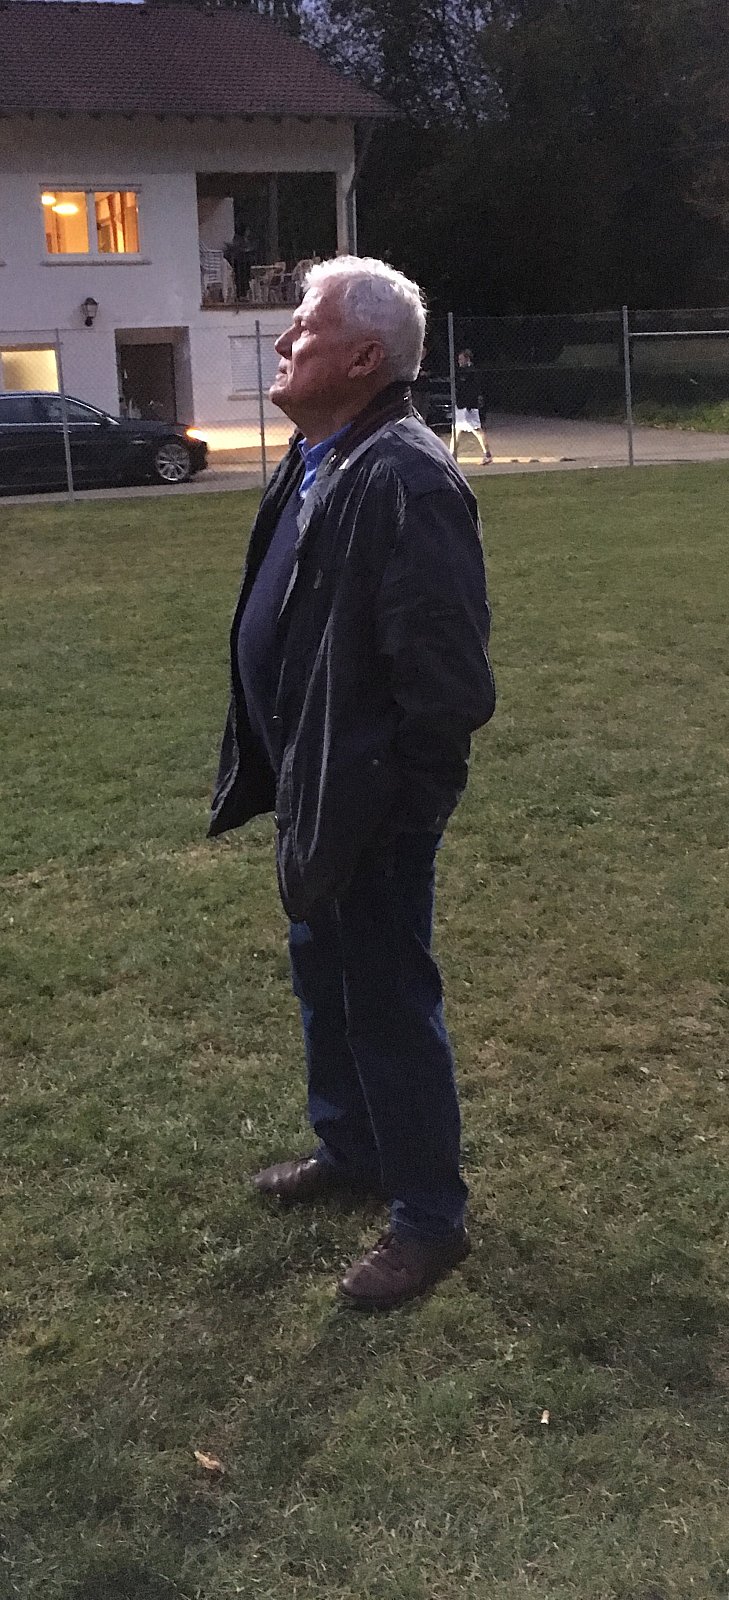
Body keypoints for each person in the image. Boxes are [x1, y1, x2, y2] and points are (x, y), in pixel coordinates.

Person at [209, 256, 496, 1311]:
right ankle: (352, 1148)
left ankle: (428, 1219)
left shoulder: (407, 479)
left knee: (385, 1000)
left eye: (304, 326)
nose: (285, 340)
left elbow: (448, 680)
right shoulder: (320, 455)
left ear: (365, 357)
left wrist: (397, 805)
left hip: (369, 802)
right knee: (325, 981)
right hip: (319, 789)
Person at [452, 347, 493, 465]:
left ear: (467, 359)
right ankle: (452, 456)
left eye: (461, 359)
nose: (459, 361)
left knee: (477, 430)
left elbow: (474, 390)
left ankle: (487, 455)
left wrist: (470, 405)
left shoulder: (472, 372)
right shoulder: (460, 372)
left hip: (469, 406)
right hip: (461, 405)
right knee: (456, 430)